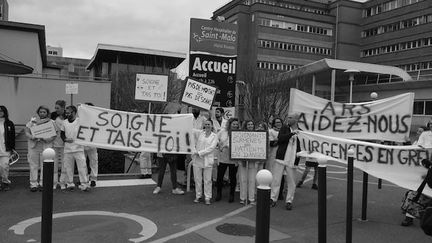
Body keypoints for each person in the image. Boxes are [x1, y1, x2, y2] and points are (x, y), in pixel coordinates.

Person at [270, 113, 301, 210]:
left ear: (296, 120)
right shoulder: (284, 128)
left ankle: (289, 201)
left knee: (291, 182)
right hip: (281, 157)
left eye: (290, 117)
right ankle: (273, 198)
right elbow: (281, 139)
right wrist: (292, 133)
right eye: (288, 117)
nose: (288, 119)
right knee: (276, 179)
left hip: (292, 159)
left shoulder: (301, 132)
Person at [24, 106, 57, 192]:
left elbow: (55, 134)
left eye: (44, 112)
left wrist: (49, 139)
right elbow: (26, 131)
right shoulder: (32, 121)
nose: (42, 113)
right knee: (33, 165)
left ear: (47, 113)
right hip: (34, 146)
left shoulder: (52, 122)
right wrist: (31, 137)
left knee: (44, 165)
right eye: (41, 112)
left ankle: (43, 183)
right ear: (38, 113)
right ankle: (33, 184)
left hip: (45, 145)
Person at [61, 105, 90, 191]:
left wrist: (81, 107)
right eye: (66, 112)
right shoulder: (64, 122)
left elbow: (87, 117)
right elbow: (62, 134)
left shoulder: (79, 121)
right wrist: (65, 139)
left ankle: (84, 184)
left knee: (82, 167)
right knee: (68, 167)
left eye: (69, 112)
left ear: (74, 112)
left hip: (78, 148)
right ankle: (70, 183)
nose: (67, 114)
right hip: (68, 148)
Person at [192, 119, 218, 205]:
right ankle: (198, 196)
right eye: (206, 124)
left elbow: (211, 148)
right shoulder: (200, 133)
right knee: (198, 179)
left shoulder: (214, 136)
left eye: (209, 124)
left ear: (212, 125)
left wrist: (200, 153)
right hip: (197, 160)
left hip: (207, 160)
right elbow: (190, 130)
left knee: (207, 180)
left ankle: (207, 197)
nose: (207, 126)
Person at [238, 120, 264, 205]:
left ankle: (251, 198)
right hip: (243, 161)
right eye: (248, 124)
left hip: (253, 161)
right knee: (243, 180)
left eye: (252, 124)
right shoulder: (240, 135)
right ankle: (243, 198)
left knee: (252, 180)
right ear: (246, 125)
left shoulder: (257, 135)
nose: (250, 126)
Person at [215, 118, 240, 203]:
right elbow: (216, 139)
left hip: (233, 159)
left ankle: (231, 194)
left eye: (237, 124)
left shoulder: (239, 134)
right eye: (234, 124)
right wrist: (218, 144)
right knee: (219, 177)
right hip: (223, 158)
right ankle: (218, 193)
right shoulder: (222, 132)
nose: (235, 126)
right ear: (230, 124)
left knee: (232, 178)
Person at [51, 100, 67, 189]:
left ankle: (62, 182)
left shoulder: (67, 116)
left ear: (63, 108)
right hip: (54, 142)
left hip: (64, 143)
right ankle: (54, 182)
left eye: (58, 108)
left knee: (64, 163)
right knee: (55, 163)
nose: (56, 109)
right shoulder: (53, 115)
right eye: (55, 107)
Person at [83, 103, 98, 187]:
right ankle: (84, 179)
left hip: (92, 143)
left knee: (94, 161)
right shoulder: (80, 119)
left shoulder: (96, 119)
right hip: (83, 143)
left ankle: (93, 179)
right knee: (83, 162)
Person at [0, 106, 15, 191]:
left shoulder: (9, 123)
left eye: (2, 111)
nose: (0, 112)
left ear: (5, 112)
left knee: (4, 166)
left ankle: (5, 182)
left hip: (5, 149)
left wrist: (12, 148)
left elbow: (12, 137)